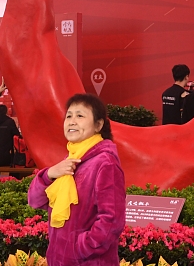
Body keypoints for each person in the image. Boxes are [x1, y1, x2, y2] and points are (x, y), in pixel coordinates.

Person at [28, 94, 125, 266]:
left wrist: (80, 249)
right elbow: (35, 201)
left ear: (98, 125)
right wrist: (49, 174)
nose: (72, 122)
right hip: (59, 260)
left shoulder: (105, 163)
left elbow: (112, 220)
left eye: (80, 116)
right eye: (69, 116)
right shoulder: (72, 159)